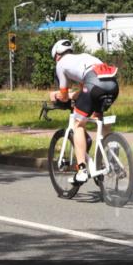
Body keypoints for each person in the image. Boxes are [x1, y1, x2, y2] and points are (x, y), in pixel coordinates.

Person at [47, 39, 119, 184]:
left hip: (94, 85)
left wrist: (54, 95)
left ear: (56, 55)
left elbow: (64, 95)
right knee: (99, 119)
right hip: (112, 84)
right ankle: (113, 159)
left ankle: (81, 170)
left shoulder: (60, 64)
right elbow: (84, 90)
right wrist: (75, 95)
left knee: (78, 125)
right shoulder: (84, 57)